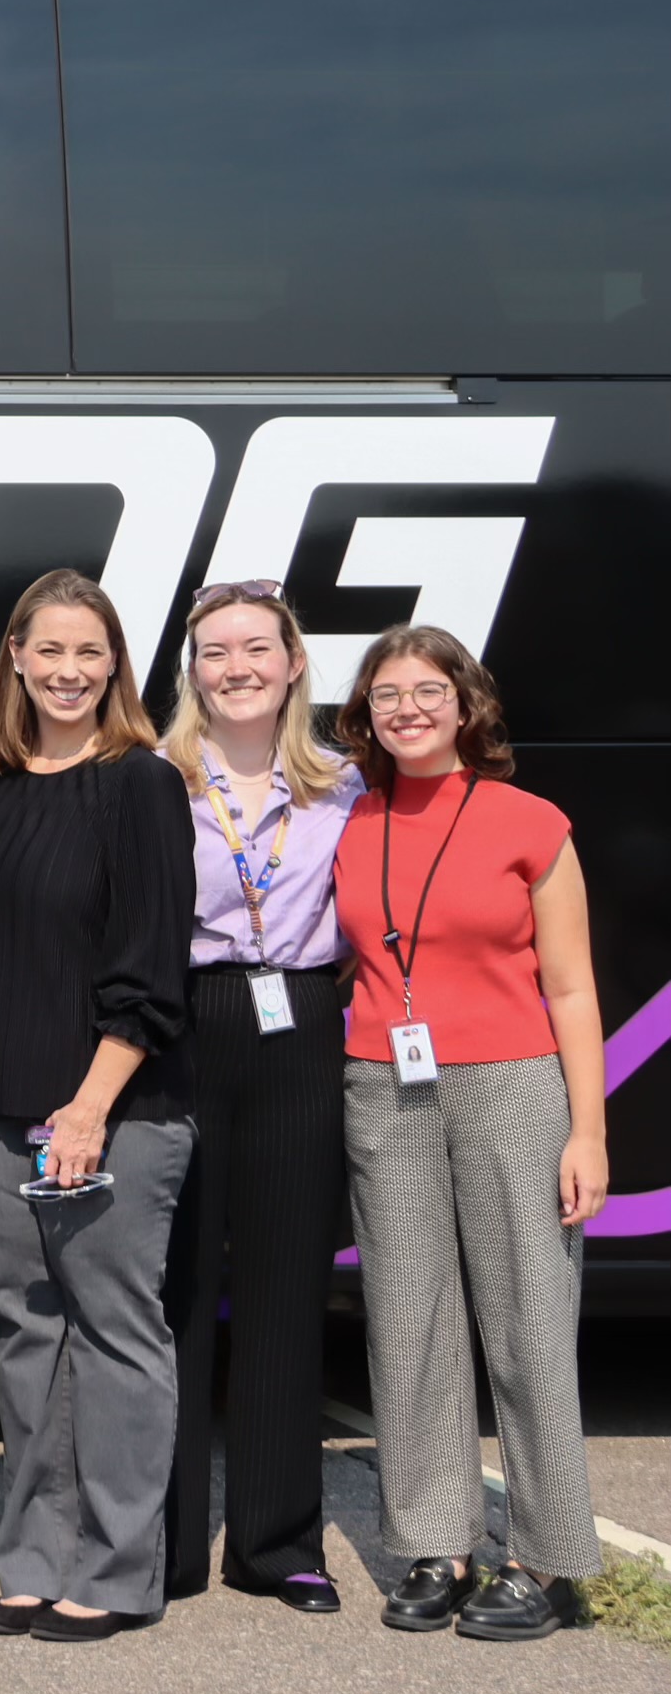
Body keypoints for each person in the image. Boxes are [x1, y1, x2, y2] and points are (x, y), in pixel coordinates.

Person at [0, 569, 191, 1643]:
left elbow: (147, 963)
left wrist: (86, 1108)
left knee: (116, 1335)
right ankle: (33, 1555)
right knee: (23, 1334)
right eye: (50, 651)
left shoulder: (139, 783)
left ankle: (120, 1568)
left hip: (107, 1112)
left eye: (91, 653)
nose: (70, 671)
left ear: (114, 665)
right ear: (15, 660)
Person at [333, 625, 606, 1642]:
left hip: (509, 1086)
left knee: (528, 1322)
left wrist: (588, 1135)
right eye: (384, 694)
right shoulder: (350, 819)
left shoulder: (529, 822)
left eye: (424, 691)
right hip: (381, 1085)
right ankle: (434, 1546)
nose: (405, 709)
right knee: (406, 1322)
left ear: (464, 704)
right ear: (364, 713)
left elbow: (572, 989)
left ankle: (544, 1558)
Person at [159, 580, 361, 1613]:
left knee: (285, 1286)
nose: (234, 666)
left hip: (296, 1028)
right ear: (189, 671)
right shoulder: (154, 781)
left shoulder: (343, 789)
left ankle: (277, 1542)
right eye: (212, 651)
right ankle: (165, 1542)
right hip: (180, 1023)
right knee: (174, 1288)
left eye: (254, 647)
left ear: (290, 664)